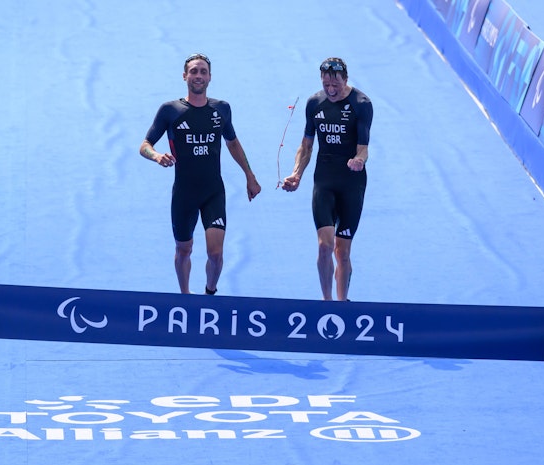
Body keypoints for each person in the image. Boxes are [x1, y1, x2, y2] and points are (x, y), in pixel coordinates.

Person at [140, 53, 261, 295]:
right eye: (194, 71)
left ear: (210, 77)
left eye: (203, 71)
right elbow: (144, 145)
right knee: (184, 249)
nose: (198, 76)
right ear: (185, 76)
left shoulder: (221, 109)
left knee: (216, 254)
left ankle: (209, 293)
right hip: (184, 194)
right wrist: (157, 156)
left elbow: (233, 143)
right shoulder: (170, 110)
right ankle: (185, 296)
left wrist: (250, 175)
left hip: (213, 192)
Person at [282, 57, 373, 301]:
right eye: (326, 85)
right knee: (325, 246)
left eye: (336, 85)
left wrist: (359, 160)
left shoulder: (361, 104)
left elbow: (363, 147)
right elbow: (306, 145)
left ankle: (342, 304)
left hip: (351, 183)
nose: (331, 90)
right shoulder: (314, 103)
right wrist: (296, 174)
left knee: (342, 252)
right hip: (324, 181)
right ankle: (327, 302)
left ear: (346, 79)